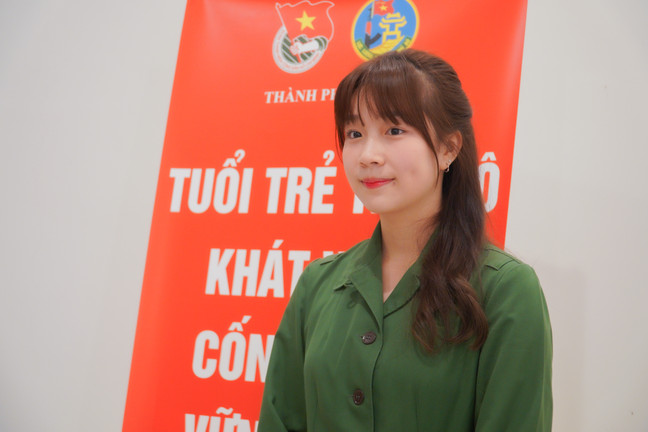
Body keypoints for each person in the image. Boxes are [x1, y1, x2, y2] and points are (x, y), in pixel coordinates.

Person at [258, 49, 552, 432]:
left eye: (394, 131)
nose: (368, 155)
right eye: (354, 134)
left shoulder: (506, 290)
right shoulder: (317, 284)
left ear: (448, 148)